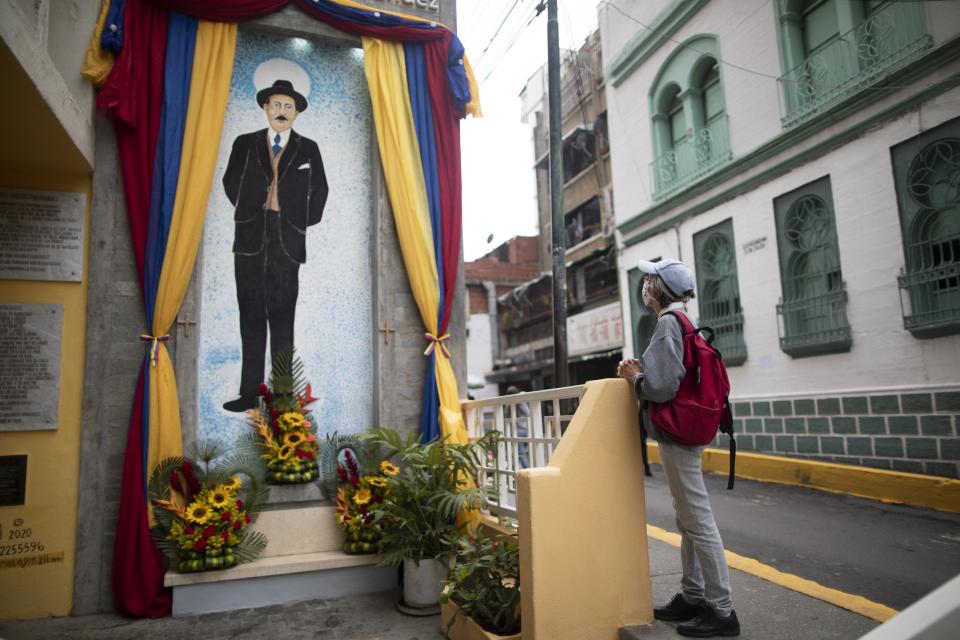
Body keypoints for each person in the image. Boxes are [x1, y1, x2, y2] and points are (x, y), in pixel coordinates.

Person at [617, 259, 740, 638]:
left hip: (678, 434)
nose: (645, 285)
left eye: (649, 279)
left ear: (659, 287)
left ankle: (722, 611)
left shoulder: (670, 323)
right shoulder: (685, 321)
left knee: (697, 520)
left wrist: (634, 376)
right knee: (687, 518)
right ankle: (692, 595)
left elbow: (662, 386)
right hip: (688, 431)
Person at [221, 79, 329, 412]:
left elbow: (321, 191)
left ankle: (283, 395)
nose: (282, 112)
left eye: (288, 107)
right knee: (250, 313)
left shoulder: (308, 148)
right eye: (276, 105)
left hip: (287, 239)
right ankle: (249, 392)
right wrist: (250, 211)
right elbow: (230, 181)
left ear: (296, 113)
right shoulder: (245, 143)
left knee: (283, 316)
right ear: (266, 108)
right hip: (250, 237)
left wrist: (297, 221)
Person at [506, 385, 530, 469]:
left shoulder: (509, 405)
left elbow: (506, 416)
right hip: (525, 430)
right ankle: (527, 467)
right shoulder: (521, 402)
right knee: (525, 452)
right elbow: (528, 414)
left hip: (516, 431)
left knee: (521, 453)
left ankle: (527, 468)